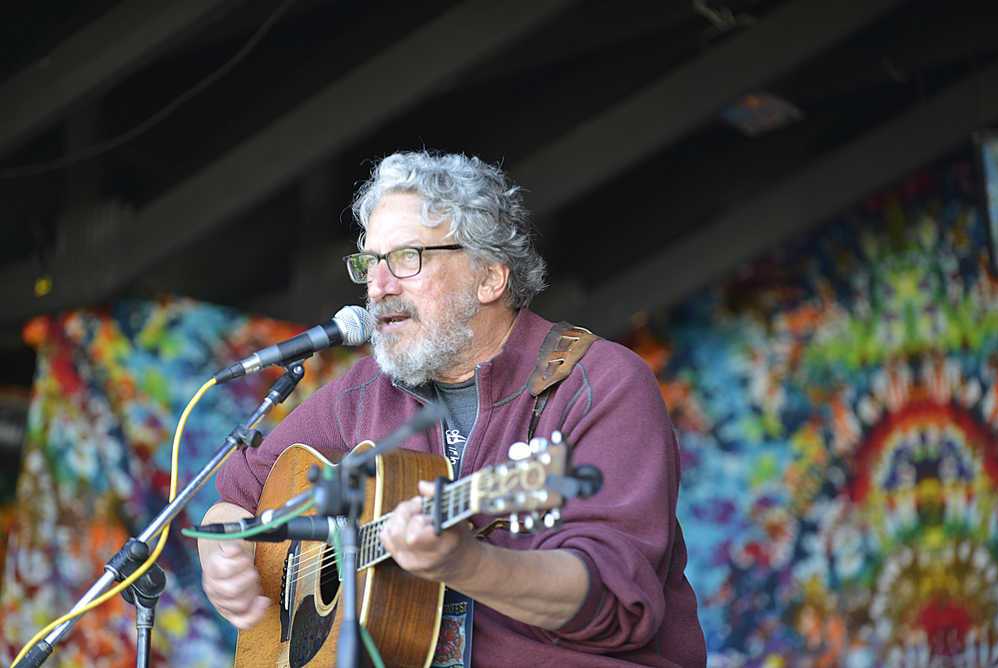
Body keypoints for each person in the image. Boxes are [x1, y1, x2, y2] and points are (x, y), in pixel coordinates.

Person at [197, 151, 706, 667]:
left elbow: (619, 599)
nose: (379, 285)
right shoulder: (364, 392)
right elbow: (236, 498)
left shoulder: (598, 384)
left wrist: (467, 564)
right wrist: (223, 555)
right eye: (370, 262)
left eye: (407, 258)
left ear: (489, 277)